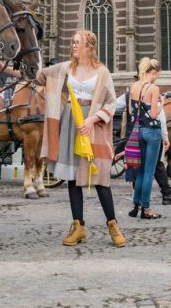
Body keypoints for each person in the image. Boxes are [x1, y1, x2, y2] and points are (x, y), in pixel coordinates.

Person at [38, 30, 126, 247]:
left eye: (78, 42)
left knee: (99, 177)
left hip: (93, 127)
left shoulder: (102, 72)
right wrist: (14, 67)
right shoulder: (66, 68)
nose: (74, 45)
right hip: (70, 123)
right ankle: (78, 226)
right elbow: (40, 75)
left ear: (89, 47)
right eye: (73, 42)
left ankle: (113, 224)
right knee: (72, 177)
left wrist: (92, 119)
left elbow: (111, 102)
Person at [128, 57, 164, 220]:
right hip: (152, 132)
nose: (157, 77)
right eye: (157, 74)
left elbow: (130, 111)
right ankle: (146, 208)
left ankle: (136, 205)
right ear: (153, 72)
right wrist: (161, 103)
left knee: (141, 170)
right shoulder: (154, 88)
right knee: (149, 171)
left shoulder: (134, 86)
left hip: (139, 131)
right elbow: (154, 114)